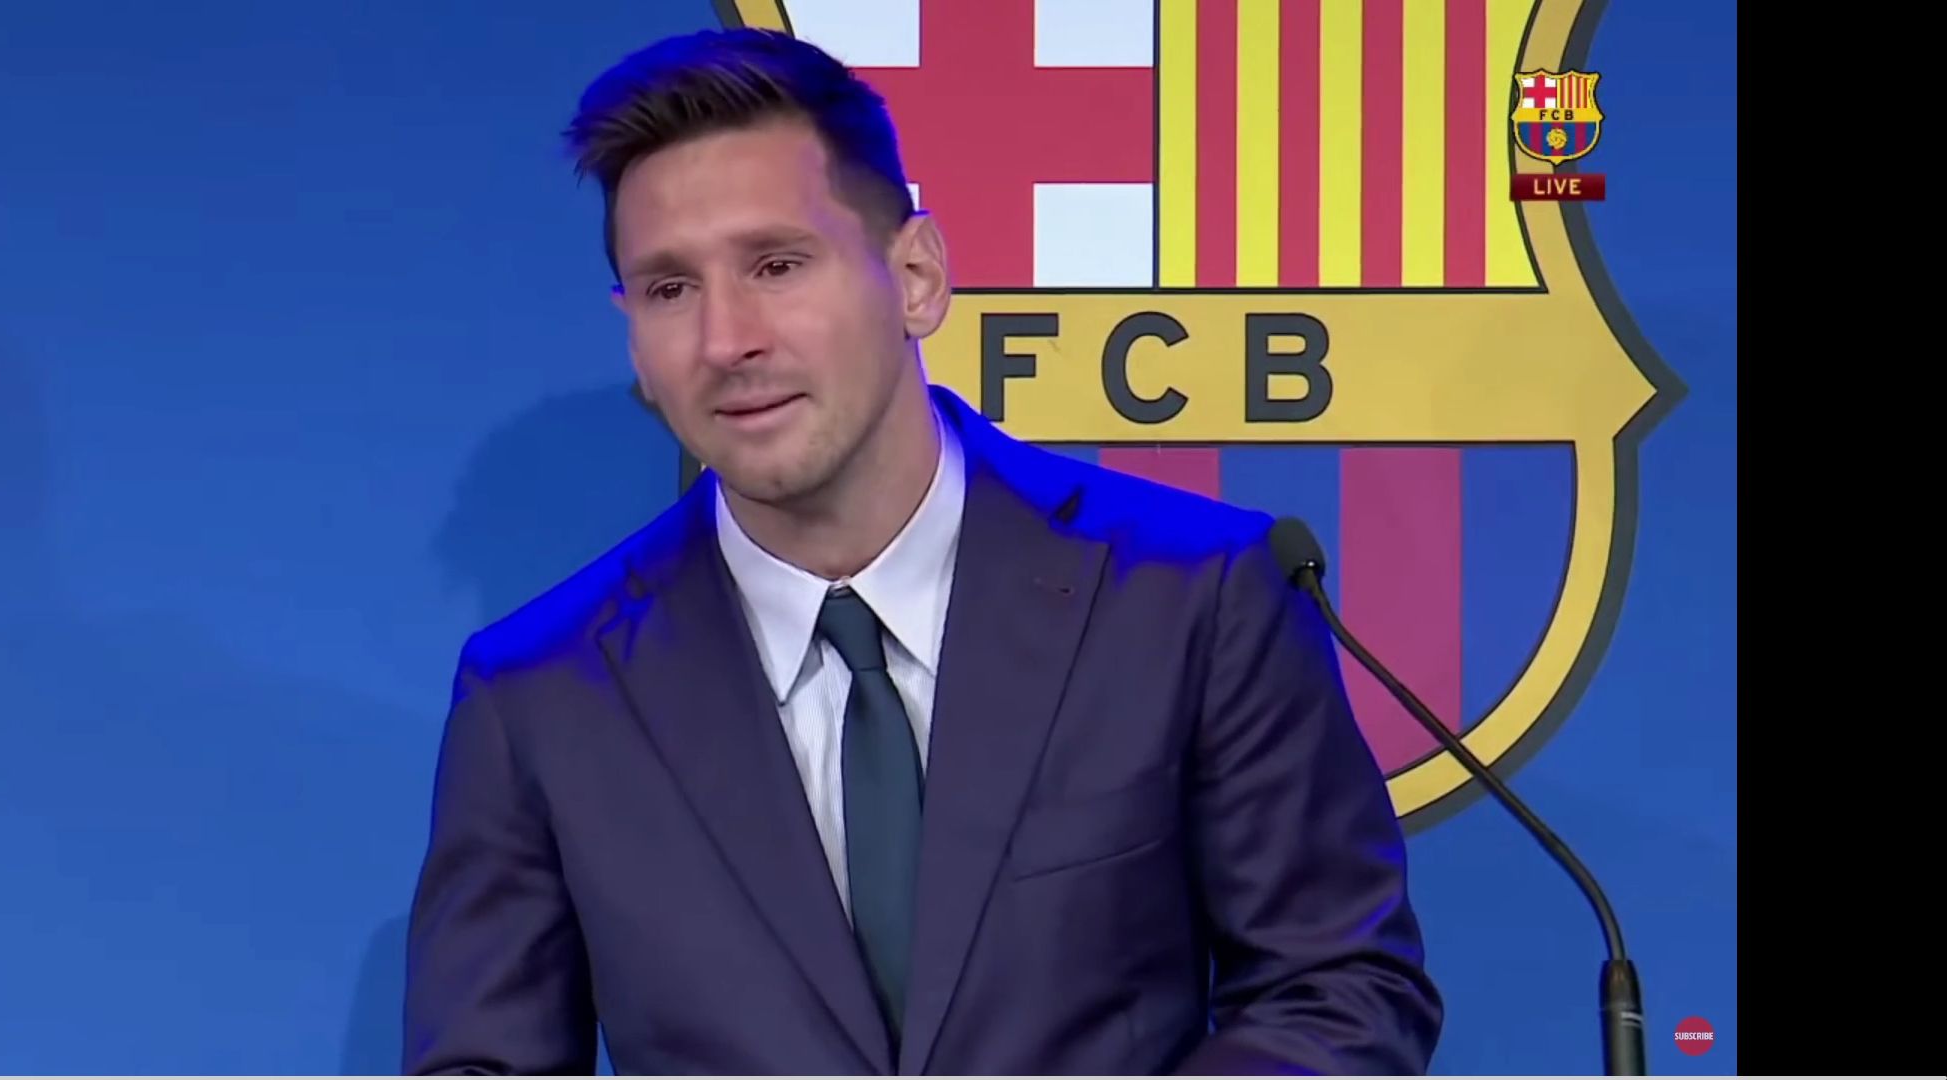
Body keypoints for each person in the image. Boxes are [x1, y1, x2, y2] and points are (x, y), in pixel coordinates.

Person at [402, 27, 1441, 1075]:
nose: (726, 340)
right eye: (670, 289)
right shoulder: (540, 698)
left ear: (916, 277)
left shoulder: (1191, 598)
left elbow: (1337, 992)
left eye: (776, 265)